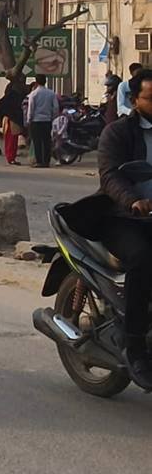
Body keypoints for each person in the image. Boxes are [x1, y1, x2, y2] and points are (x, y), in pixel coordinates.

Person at [91, 68, 152, 390]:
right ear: (136, 100)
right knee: (142, 260)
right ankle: (135, 345)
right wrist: (133, 201)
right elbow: (110, 175)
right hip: (122, 217)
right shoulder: (118, 132)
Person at [27, 74, 61, 167]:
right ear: (45, 81)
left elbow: (31, 108)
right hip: (47, 121)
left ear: (36, 82)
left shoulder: (33, 94)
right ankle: (46, 161)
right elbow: (56, 107)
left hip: (36, 121)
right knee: (47, 141)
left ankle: (39, 161)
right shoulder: (51, 93)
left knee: (37, 142)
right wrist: (53, 117)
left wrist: (29, 119)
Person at [0, 77, 28, 166]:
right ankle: (11, 157)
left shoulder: (13, 94)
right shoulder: (14, 95)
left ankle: (10, 157)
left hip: (11, 119)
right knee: (11, 139)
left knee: (11, 139)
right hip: (12, 120)